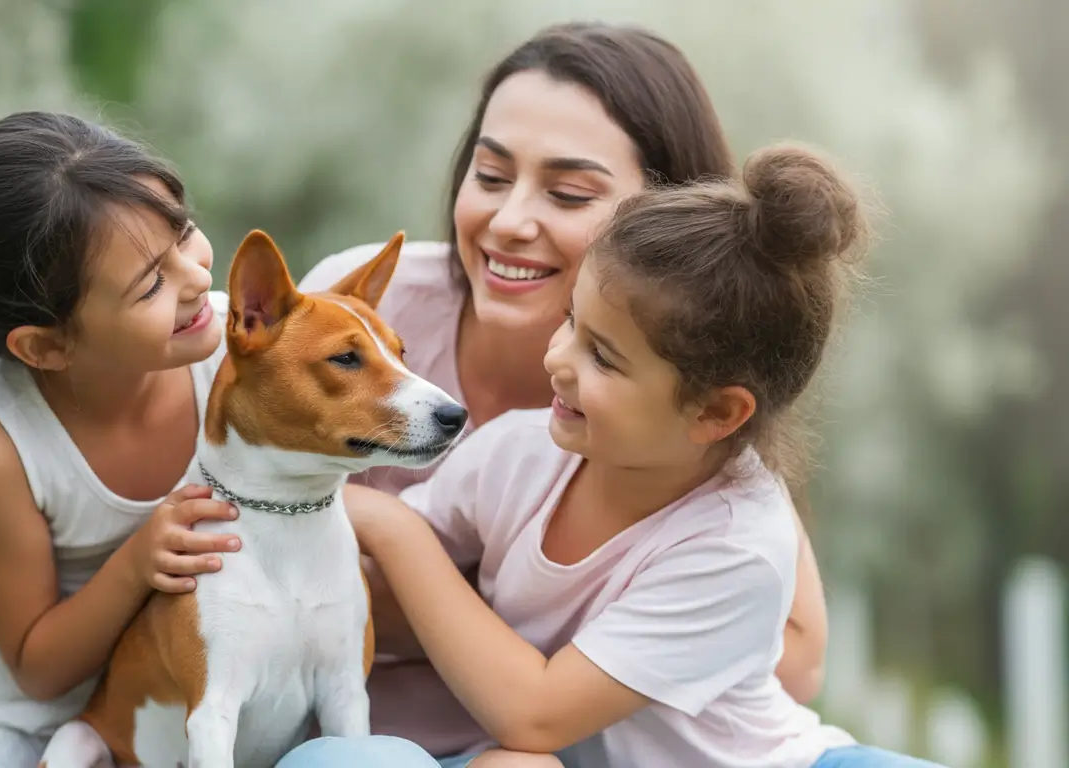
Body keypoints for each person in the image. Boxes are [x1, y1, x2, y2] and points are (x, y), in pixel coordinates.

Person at [286, 143, 943, 768]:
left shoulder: (737, 544)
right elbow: (359, 570)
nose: (557, 360)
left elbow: (536, 712)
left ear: (716, 413)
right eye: (571, 322)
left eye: (603, 356)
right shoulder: (521, 451)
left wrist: (393, 524)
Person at [294, 20, 829, 761]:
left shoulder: (713, 465)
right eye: (489, 175)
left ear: (672, 221)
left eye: (570, 192)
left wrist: (443, 585)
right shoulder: (367, 314)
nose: (510, 222)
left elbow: (792, 659)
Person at [0, 111, 245, 768]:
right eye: (151, 284)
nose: (197, 279)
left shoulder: (233, 350)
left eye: (185, 233)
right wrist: (139, 561)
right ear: (49, 346)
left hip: (148, 699)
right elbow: (35, 667)